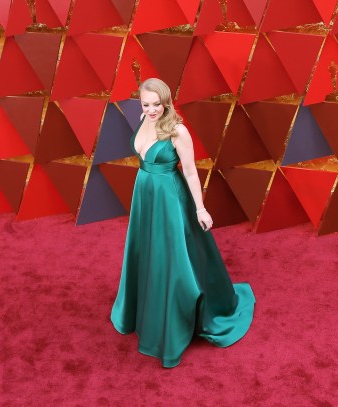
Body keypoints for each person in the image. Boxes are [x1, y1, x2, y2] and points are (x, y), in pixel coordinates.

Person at [110, 78, 255, 368]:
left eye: (156, 104)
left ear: (166, 101)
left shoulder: (177, 131)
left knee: (173, 257)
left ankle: (176, 318)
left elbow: (189, 173)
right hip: (145, 194)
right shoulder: (143, 119)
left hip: (169, 198)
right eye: (146, 104)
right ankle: (145, 305)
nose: (151, 110)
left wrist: (200, 209)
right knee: (148, 252)